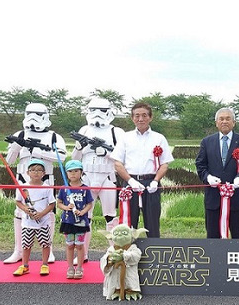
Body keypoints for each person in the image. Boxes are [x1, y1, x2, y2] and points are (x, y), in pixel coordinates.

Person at [4, 103, 66, 264]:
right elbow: (9, 160)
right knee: (19, 213)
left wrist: (37, 151)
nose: (33, 118)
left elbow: (62, 158)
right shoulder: (20, 133)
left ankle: (48, 249)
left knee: (48, 212)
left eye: (37, 114)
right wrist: (17, 146)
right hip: (23, 179)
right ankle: (18, 250)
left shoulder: (54, 137)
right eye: (30, 114)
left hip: (46, 180)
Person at [71, 97, 125, 261]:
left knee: (110, 216)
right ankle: (82, 254)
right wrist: (78, 147)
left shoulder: (116, 132)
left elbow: (123, 157)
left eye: (101, 111)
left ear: (108, 112)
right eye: (93, 110)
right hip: (87, 177)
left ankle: (113, 251)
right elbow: (74, 159)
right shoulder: (84, 130)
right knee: (85, 216)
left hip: (108, 177)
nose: (97, 114)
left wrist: (107, 154)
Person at [114, 102, 174, 237]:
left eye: (144, 115)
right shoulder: (125, 137)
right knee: (127, 223)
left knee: (152, 222)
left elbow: (164, 164)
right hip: (130, 184)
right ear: (132, 118)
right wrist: (130, 181)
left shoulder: (159, 138)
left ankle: (154, 252)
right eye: (137, 116)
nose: (140, 119)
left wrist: (155, 181)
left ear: (150, 117)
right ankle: (127, 254)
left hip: (151, 184)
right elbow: (118, 163)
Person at [195, 108, 239, 238]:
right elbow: (200, 165)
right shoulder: (207, 142)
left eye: (228, 119)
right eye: (221, 119)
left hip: (236, 198)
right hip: (213, 199)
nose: (224, 122)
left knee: (238, 236)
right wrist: (208, 177)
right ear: (216, 122)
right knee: (212, 237)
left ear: (234, 122)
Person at [12, 159, 56, 276]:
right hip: (27, 222)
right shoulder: (23, 187)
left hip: (43, 222)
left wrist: (42, 214)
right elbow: (18, 202)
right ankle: (25, 266)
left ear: (44, 173)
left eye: (39, 170)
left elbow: (52, 204)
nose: (36, 173)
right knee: (26, 245)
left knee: (45, 244)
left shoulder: (47, 187)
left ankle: (45, 265)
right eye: (33, 170)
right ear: (28, 173)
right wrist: (25, 209)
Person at [57, 160, 94, 280]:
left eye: (76, 171)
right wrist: (66, 208)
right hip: (68, 221)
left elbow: (89, 204)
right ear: (66, 174)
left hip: (81, 222)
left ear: (81, 172)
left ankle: (79, 267)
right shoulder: (64, 188)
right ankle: (70, 267)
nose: (73, 174)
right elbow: (59, 203)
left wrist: (83, 212)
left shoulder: (85, 189)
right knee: (69, 245)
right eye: (70, 171)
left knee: (79, 245)